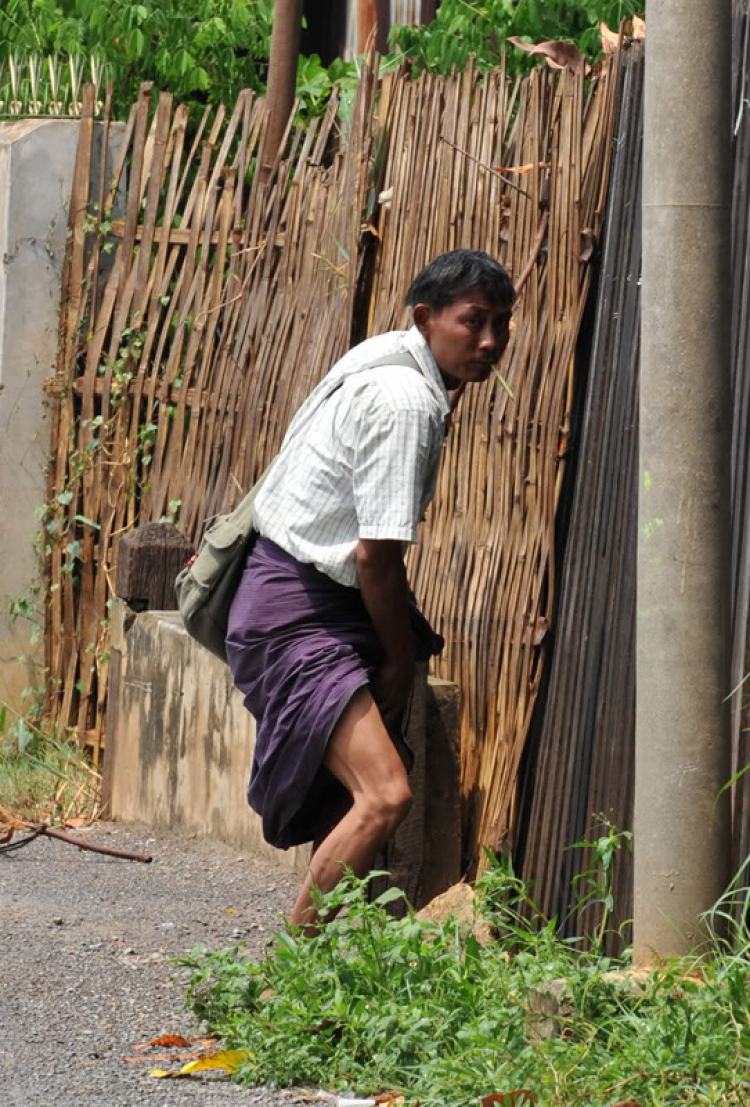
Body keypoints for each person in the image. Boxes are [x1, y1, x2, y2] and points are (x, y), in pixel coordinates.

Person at [226, 248, 514, 931]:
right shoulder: (406, 401)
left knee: (347, 799)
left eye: (502, 324)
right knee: (384, 795)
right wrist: (391, 656)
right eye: (474, 322)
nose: (490, 342)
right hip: (298, 611)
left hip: (286, 590)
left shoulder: (385, 354)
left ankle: (336, 979)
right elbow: (376, 559)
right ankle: (288, 977)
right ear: (426, 317)